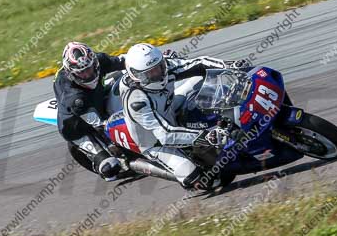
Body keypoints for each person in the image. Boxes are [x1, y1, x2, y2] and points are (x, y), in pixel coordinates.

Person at [119, 43, 251, 189]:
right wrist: (206, 136)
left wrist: (229, 65)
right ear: (137, 76)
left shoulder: (165, 67)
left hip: (169, 107)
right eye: (151, 73)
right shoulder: (136, 101)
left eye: (159, 67)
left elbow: (199, 63)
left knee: (200, 80)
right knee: (203, 180)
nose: (158, 73)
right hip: (155, 140)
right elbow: (165, 134)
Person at [54, 42, 126, 180]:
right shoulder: (72, 95)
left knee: (124, 76)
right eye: (82, 72)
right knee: (110, 168)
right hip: (76, 125)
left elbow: (124, 61)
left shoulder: (98, 60)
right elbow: (99, 125)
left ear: (94, 62)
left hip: (96, 98)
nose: (88, 74)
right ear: (72, 73)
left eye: (90, 68)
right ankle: (101, 161)